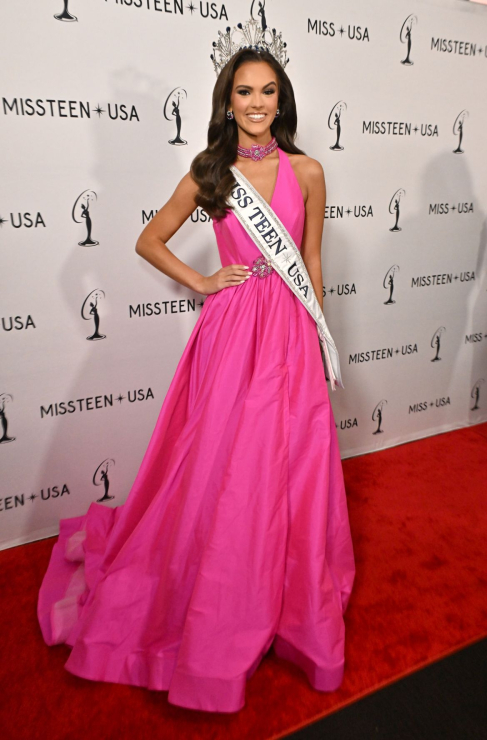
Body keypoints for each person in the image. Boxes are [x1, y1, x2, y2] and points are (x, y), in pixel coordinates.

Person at [37, 25, 356, 714]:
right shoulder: (211, 173)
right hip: (234, 333)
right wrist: (204, 281)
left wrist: (317, 330)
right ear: (227, 99)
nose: (257, 102)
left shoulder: (308, 172)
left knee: (291, 462)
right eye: (245, 91)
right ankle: (224, 597)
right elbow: (148, 240)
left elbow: (315, 263)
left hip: (290, 332)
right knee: (231, 469)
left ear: (283, 99)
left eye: (268, 91)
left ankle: (289, 601)